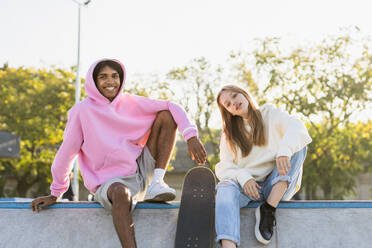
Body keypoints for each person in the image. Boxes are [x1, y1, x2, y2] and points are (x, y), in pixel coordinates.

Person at [30, 58, 207, 248]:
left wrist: (190, 136)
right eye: (103, 77)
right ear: (94, 81)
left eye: (115, 76)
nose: (110, 81)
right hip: (109, 185)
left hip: (139, 171)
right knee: (121, 192)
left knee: (165, 115)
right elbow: (66, 154)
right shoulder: (82, 111)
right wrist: (55, 193)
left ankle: (157, 181)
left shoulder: (131, 102)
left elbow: (172, 105)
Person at [214, 85, 312, 248]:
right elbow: (224, 166)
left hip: (277, 186)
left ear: (244, 94)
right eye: (228, 104)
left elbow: (298, 127)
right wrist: (244, 178)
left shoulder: (270, 114)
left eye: (234, 96)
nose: (234, 103)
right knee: (225, 185)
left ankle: (268, 210)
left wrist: (284, 151)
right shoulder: (229, 135)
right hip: (248, 190)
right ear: (229, 112)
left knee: (299, 145)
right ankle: (228, 245)